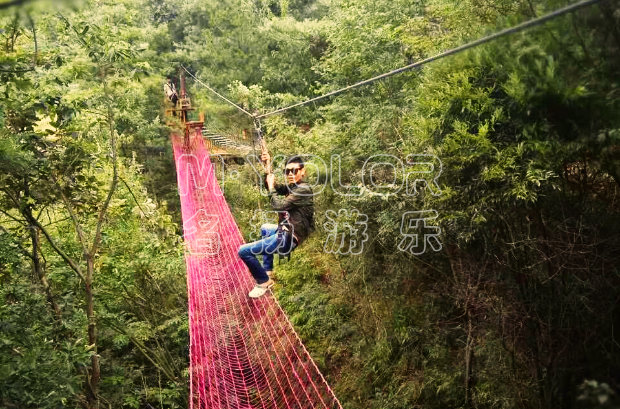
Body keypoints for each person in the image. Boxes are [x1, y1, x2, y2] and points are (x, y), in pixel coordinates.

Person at [238, 154, 315, 298]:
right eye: (287, 171)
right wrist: (267, 167)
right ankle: (267, 271)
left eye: (295, 170)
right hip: (286, 231)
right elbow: (272, 186)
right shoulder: (293, 187)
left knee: (243, 251)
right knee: (266, 228)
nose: (290, 174)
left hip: (289, 238)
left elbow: (278, 205)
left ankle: (263, 282)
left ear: (303, 171)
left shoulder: (303, 190)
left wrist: (272, 186)